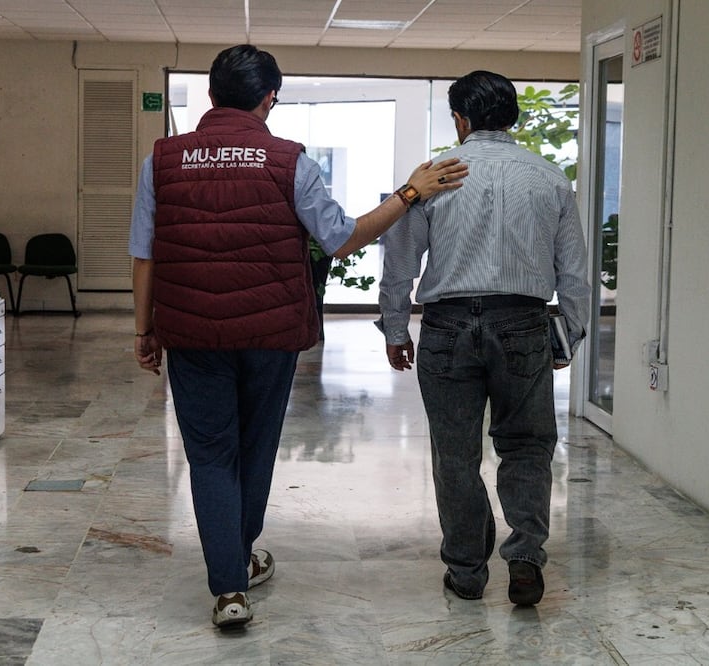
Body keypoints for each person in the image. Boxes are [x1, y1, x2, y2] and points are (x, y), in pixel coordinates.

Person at [128, 44, 467, 629]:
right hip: (270, 331)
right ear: (269, 99)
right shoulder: (290, 161)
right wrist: (410, 194)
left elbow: (144, 254)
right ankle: (237, 561)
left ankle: (230, 587)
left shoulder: (162, 159)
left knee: (210, 455)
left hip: (192, 333)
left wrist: (144, 328)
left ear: (211, 96)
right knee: (255, 449)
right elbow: (342, 238)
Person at [376, 70, 590, 606]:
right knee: (527, 445)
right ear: (511, 116)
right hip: (522, 323)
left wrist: (397, 327)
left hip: (447, 327)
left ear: (460, 118)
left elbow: (401, 263)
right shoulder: (549, 178)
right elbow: (575, 273)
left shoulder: (434, 177)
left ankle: (467, 571)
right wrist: (572, 333)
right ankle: (524, 558)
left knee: (454, 452)